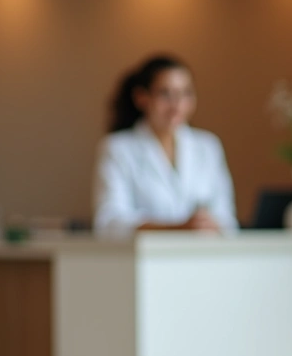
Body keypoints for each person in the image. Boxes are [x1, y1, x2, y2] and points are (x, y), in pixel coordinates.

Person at [93, 55, 239, 237]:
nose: (176, 105)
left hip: (203, 259)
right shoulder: (118, 148)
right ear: (141, 97)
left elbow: (227, 219)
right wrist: (177, 229)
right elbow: (110, 222)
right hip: (145, 261)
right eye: (165, 94)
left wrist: (209, 224)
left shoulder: (208, 147)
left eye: (185, 93)